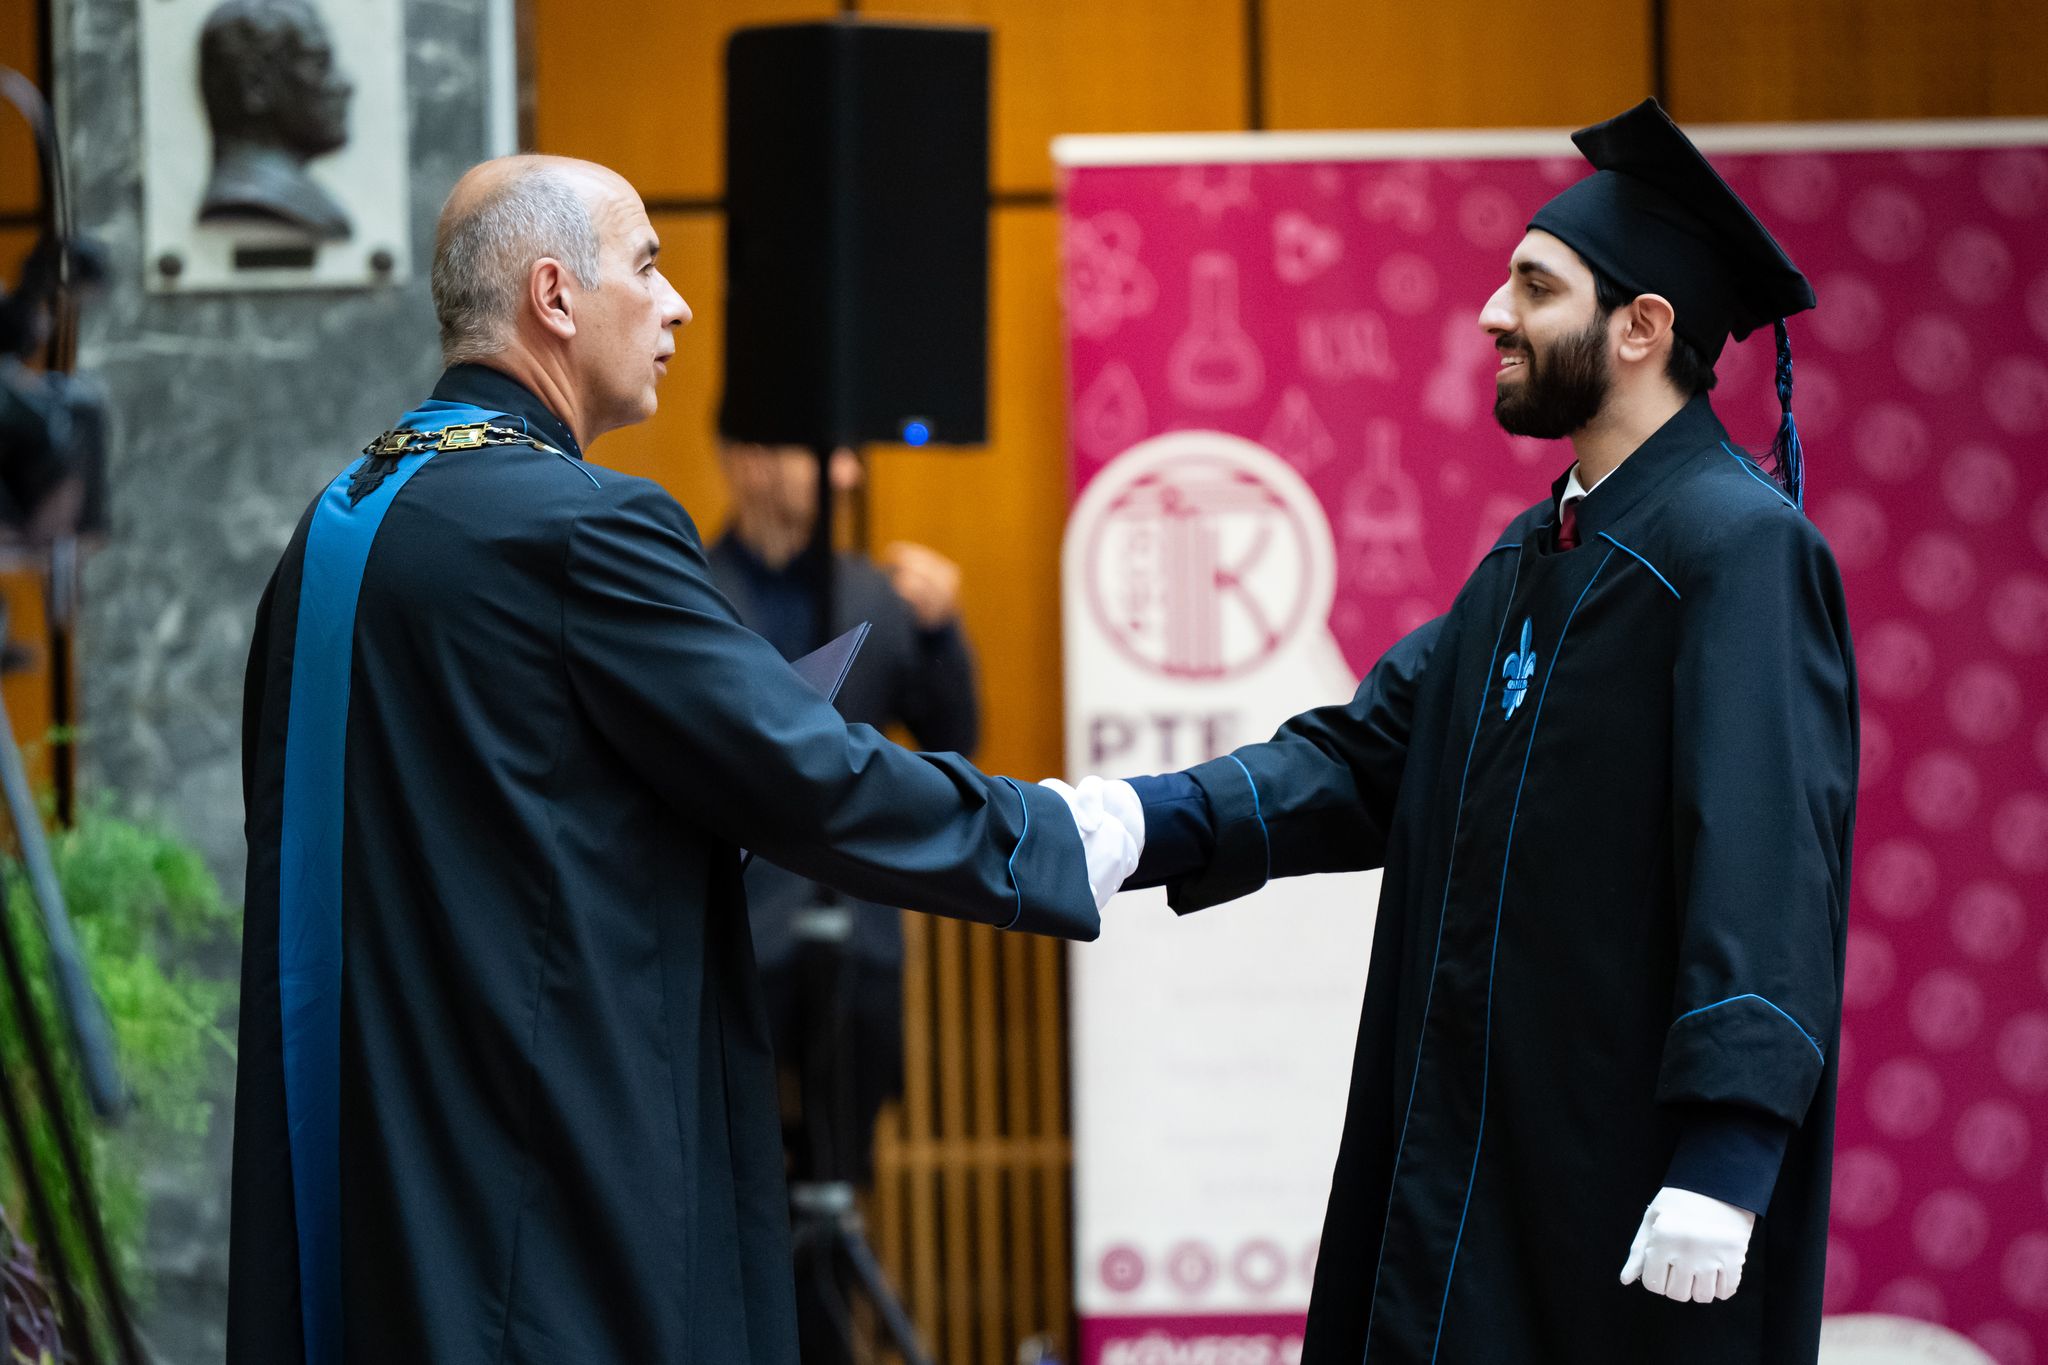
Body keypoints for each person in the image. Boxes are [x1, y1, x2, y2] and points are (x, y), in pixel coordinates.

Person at [228, 154, 1137, 1365]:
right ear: (554, 295)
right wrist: (1090, 832)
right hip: (541, 1201)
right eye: (648, 266)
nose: (678, 305)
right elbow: (817, 778)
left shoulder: (337, 525)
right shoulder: (583, 525)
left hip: (377, 1180)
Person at [1087, 100, 1858, 1363]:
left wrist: (1725, 1158)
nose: (1492, 316)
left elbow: (1766, 861)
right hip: (1468, 1165)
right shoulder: (1532, 554)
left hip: (1621, 1187)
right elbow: (1363, 758)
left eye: (1535, 288)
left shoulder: (1736, 550)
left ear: (1639, 327)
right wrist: (1132, 822)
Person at [708, 437, 980, 1361]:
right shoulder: (686, 587)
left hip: (856, 951)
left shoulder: (877, 595)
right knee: (731, 1188)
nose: (849, 475)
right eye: (820, 452)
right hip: (730, 949)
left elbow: (955, 744)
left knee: (835, 1191)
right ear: (748, 457)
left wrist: (942, 635)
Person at [196, 0, 354, 239]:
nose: (345, 85)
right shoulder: (252, 197)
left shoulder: (313, 205)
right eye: (320, 64)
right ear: (256, 84)